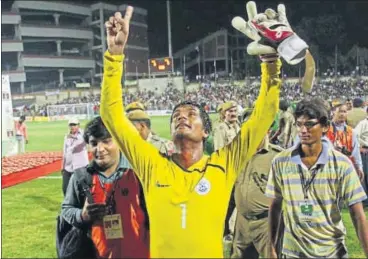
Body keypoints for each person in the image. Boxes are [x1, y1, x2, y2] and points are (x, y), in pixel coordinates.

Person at [100, 6, 281, 258]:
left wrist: (270, 63)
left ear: (206, 131)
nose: (182, 117)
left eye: (191, 115)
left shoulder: (224, 164)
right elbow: (112, 115)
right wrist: (115, 55)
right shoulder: (151, 164)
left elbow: (264, 114)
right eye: (176, 116)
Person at [266, 98, 368, 258]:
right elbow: (275, 207)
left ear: (325, 126)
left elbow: (357, 214)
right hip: (293, 253)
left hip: (332, 253)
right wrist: (271, 248)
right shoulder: (280, 162)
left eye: (309, 124)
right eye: (299, 124)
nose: (303, 130)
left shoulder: (342, 164)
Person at [61, 116, 149, 258]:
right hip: (95, 252)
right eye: (94, 143)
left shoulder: (139, 173)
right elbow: (66, 209)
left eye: (106, 141)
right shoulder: (81, 176)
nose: (100, 149)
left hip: (136, 252)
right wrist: (82, 216)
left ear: (119, 141)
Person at [232, 129, 284, 259]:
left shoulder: (278, 157)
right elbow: (233, 189)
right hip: (242, 222)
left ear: (267, 130)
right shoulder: (239, 154)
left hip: (266, 223)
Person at [326, 103, 364, 180]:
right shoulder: (325, 130)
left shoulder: (351, 132)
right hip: (329, 170)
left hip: (347, 169)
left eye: (344, 111)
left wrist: (359, 167)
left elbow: (355, 152)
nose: (342, 114)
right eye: (340, 111)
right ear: (333, 112)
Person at [61, 118, 89, 196]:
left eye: (74, 124)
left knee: (82, 190)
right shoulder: (66, 137)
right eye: (71, 125)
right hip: (68, 167)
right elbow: (65, 152)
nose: (72, 127)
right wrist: (62, 167)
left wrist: (73, 137)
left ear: (78, 125)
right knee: (65, 188)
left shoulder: (83, 134)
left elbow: (81, 143)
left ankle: (85, 206)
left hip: (80, 167)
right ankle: (68, 206)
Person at [354, 107, 368, 204]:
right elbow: (354, 135)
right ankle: (365, 201)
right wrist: (359, 147)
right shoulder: (363, 123)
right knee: (366, 176)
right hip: (365, 151)